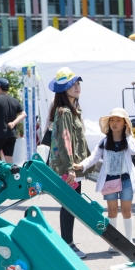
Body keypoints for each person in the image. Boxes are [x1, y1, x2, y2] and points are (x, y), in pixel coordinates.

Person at [73, 108, 135, 252]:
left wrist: (128, 135)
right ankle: (114, 242)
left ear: (125, 124)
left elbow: (134, 151)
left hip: (126, 179)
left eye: (118, 120)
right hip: (110, 180)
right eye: (112, 120)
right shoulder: (104, 141)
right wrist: (82, 165)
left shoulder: (129, 140)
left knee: (127, 210)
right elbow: (94, 156)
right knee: (112, 210)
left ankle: (129, 240)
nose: (115, 123)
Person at [47, 67, 91, 259]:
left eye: (78, 83)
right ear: (63, 89)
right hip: (68, 167)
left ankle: (68, 243)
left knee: (70, 205)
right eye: (72, 84)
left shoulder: (73, 110)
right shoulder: (64, 111)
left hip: (73, 166)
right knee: (70, 205)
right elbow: (65, 141)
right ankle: (68, 245)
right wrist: (71, 168)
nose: (77, 86)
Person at [0, 78, 27, 164]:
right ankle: (9, 177)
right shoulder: (14, 101)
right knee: (9, 158)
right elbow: (23, 114)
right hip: (11, 134)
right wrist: (14, 123)